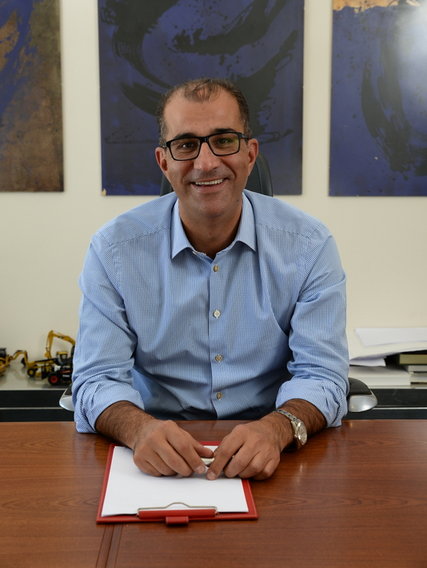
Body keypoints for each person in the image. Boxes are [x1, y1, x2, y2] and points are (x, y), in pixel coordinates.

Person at [72, 77, 349, 481]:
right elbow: (96, 379)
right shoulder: (113, 251)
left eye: (223, 140)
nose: (205, 163)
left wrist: (277, 428)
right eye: (186, 145)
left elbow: (322, 375)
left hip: (271, 452)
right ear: (164, 162)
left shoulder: (309, 246)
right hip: (154, 455)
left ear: (250, 154)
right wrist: (138, 429)